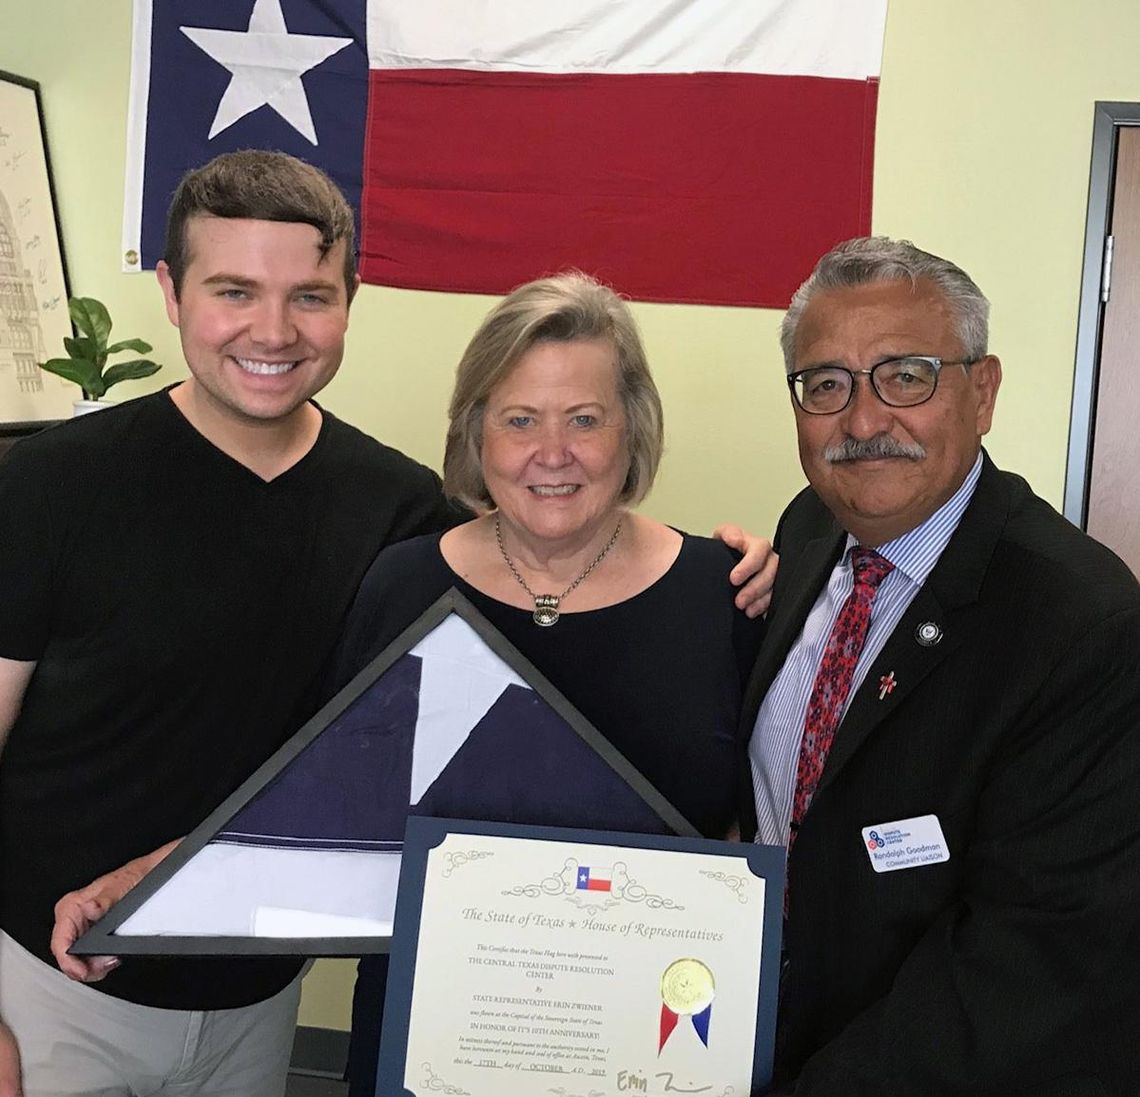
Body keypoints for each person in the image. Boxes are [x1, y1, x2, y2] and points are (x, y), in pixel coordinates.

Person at [0, 150, 463, 1097]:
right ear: (171, 292)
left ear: (352, 295)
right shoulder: (54, 482)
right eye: (234, 290)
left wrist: (728, 567)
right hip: (47, 994)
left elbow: (542, 595)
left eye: (310, 295)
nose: (273, 330)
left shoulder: (403, 508)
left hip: (259, 1000)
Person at [336, 272, 769, 1095]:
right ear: (476, 433)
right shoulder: (400, 588)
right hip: (428, 1038)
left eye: (584, 419)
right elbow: (336, 803)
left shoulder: (730, 597)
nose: (552, 453)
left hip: (651, 1050)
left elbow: (767, 826)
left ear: (631, 430)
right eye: (520, 419)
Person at [744, 236, 1140, 1095]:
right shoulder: (807, 531)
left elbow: (1029, 968)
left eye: (907, 375)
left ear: (983, 390)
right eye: (826, 385)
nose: (862, 420)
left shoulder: (1084, 625)